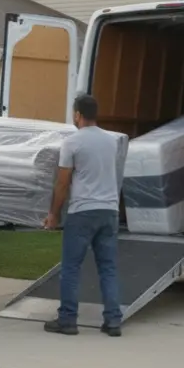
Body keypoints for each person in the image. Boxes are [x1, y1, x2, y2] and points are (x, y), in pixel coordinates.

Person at [43, 95, 124, 337]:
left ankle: (67, 320)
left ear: (77, 114)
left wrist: (53, 214)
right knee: (108, 268)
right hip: (109, 210)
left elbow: (63, 183)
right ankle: (113, 321)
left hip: (83, 212)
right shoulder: (112, 142)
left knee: (71, 268)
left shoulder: (72, 143)